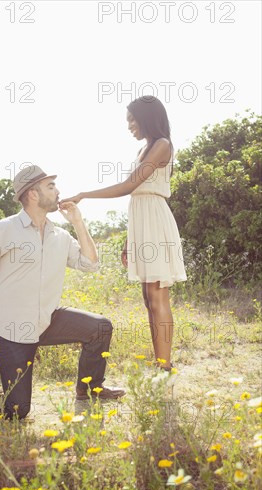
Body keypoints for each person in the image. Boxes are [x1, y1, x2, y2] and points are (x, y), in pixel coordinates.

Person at [0, 165, 125, 420]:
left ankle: (90, 390)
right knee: (16, 410)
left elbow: (90, 264)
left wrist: (78, 222)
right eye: (51, 186)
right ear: (32, 194)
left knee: (100, 328)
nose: (58, 191)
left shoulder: (60, 235)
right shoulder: (3, 230)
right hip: (11, 329)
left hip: (46, 320)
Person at [61, 96, 187, 371]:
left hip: (155, 219)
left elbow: (130, 185)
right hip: (143, 221)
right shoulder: (144, 149)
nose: (129, 125)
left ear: (147, 118)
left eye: (132, 119)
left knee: (157, 294)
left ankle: (164, 367)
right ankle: (160, 362)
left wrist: (84, 194)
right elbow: (136, 195)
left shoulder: (162, 145)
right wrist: (130, 241)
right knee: (147, 297)